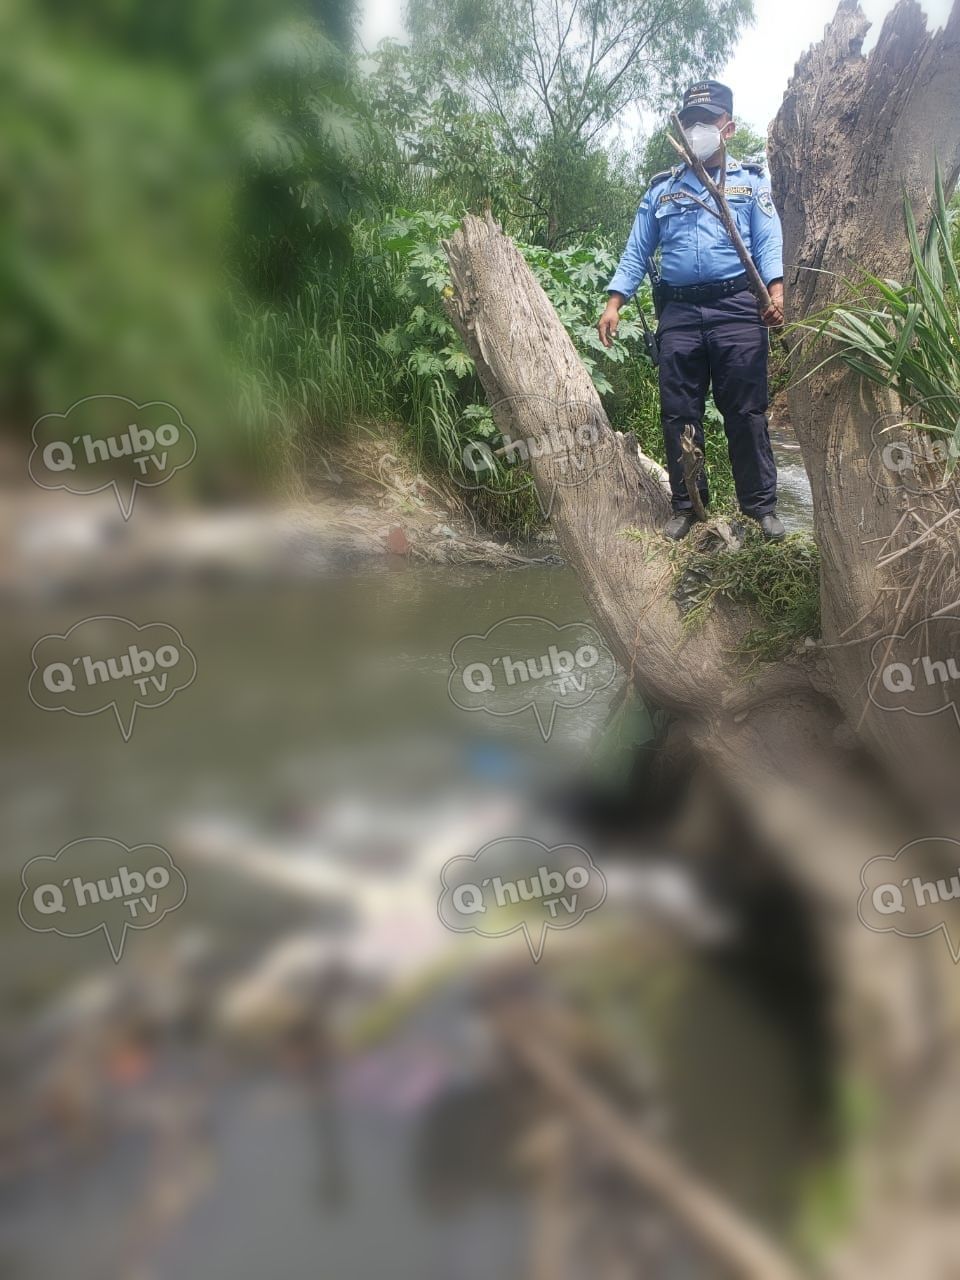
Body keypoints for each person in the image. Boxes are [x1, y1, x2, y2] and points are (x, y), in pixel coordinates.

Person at [598, 80, 786, 541]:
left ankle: (761, 509)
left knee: (747, 412)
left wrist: (775, 294)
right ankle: (687, 507)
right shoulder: (662, 190)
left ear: (729, 127)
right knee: (679, 414)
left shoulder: (750, 182)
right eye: (689, 122)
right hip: (679, 315)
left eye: (707, 120)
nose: (697, 129)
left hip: (739, 308)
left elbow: (767, 242)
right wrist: (614, 302)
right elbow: (637, 250)